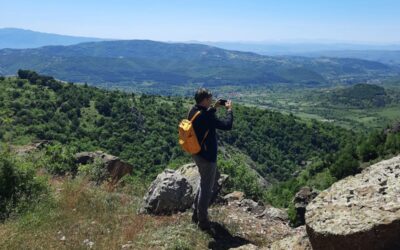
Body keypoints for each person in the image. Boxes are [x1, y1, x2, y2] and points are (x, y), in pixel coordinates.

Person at [188, 87, 233, 231]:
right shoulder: (206, 117)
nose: (212, 101)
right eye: (211, 99)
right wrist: (229, 110)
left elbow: (205, 115)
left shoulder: (193, 110)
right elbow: (227, 125)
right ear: (205, 100)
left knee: (204, 183)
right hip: (207, 157)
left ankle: (196, 214)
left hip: (197, 153)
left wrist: (214, 107)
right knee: (206, 189)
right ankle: (202, 221)